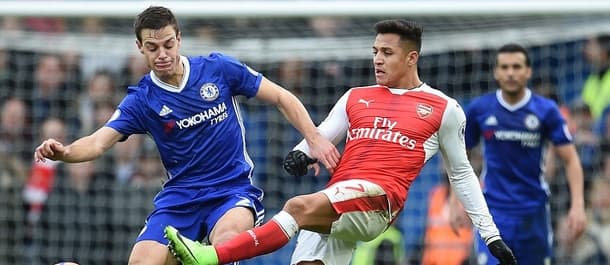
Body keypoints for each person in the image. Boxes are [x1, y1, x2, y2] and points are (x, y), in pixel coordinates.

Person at [164, 19, 517, 265]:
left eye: (387, 53)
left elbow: (462, 174)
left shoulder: (443, 108)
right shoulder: (355, 97)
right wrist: (299, 156)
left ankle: (209, 256)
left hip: (377, 200)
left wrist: (490, 235)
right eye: (375, 50)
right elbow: (319, 137)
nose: (377, 58)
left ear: (412, 58)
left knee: (297, 207)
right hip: (338, 198)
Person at [33, 6, 339, 265]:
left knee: (226, 245)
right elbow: (99, 142)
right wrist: (65, 152)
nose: (162, 54)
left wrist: (314, 138)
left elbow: (281, 97)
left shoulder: (218, 69)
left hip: (231, 191)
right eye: (152, 48)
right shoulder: (142, 99)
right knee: (142, 261)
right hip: (180, 199)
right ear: (140, 48)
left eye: (168, 44)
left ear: (179, 39)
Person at [455, 43, 587, 265]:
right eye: (505, 67)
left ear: (528, 71)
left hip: (533, 212)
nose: (510, 73)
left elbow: (571, 159)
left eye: (516, 67)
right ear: (496, 72)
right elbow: (459, 158)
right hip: (494, 213)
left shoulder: (546, 110)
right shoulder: (480, 109)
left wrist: (578, 205)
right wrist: (455, 201)